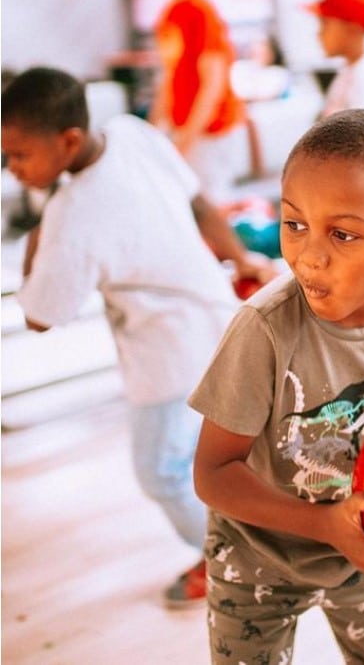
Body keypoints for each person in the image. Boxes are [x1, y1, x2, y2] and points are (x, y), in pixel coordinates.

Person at [190, 109, 364, 664]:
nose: (309, 256)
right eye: (294, 224)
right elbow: (213, 474)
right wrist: (326, 526)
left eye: (342, 234)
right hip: (257, 556)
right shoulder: (263, 328)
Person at [1, 67, 278, 609]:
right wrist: (241, 257)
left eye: (18, 156)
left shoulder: (68, 214)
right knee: (217, 456)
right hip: (216, 321)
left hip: (167, 359)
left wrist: (37, 241)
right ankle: (246, 543)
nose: (12, 170)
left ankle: (233, 562)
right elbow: (198, 203)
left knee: (161, 471)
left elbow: (40, 315)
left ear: (69, 141)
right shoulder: (131, 132)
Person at [147, 0, 249, 204]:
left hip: (211, 131)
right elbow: (171, 75)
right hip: (187, 130)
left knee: (209, 209)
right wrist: (153, 131)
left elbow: (213, 84)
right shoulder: (171, 12)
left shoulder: (200, 12)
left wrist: (185, 141)